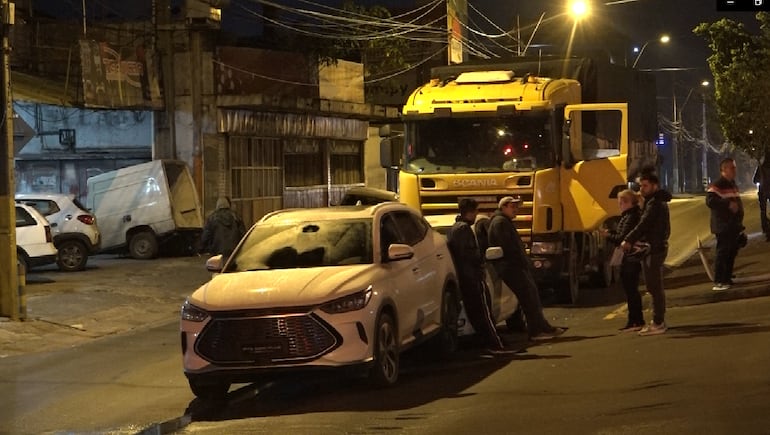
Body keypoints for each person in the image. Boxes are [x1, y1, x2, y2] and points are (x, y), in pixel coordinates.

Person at [487, 196, 565, 341]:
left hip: (515, 266)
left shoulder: (504, 221)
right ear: (504, 207)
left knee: (532, 296)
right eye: (513, 207)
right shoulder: (500, 223)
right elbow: (508, 248)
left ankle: (543, 327)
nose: (516, 210)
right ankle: (536, 331)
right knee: (528, 298)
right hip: (511, 268)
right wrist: (521, 262)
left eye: (517, 207)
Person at [446, 198, 507, 353]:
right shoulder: (463, 229)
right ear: (471, 212)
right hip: (472, 278)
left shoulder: (454, 229)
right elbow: (470, 254)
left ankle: (488, 344)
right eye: (475, 211)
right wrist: (480, 261)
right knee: (484, 314)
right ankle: (495, 345)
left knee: (478, 315)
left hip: (465, 278)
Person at [621, 171, 672, 336]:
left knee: (654, 287)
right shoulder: (653, 201)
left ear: (654, 186)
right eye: (640, 186)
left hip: (654, 249)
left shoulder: (655, 204)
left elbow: (644, 224)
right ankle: (658, 321)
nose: (641, 189)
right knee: (653, 286)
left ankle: (658, 322)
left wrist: (628, 240)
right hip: (654, 247)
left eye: (645, 186)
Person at [602, 189, 644, 331]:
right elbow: (622, 234)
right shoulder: (630, 215)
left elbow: (622, 238)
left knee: (631, 290)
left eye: (620, 203)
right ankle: (635, 320)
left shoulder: (631, 217)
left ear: (627, 203)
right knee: (631, 289)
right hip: (630, 256)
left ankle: (636, 321)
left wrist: (608, 236)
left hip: (631, 256)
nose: (619, 206)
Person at [707, 158, 744, 291]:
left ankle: (727, 278)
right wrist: (728, 204)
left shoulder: (732, 184)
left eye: (735, 168)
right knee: (723, 252)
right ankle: (719, 281)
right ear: (724, 170)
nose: (735, 170)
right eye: (732, 168)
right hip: (723, 226)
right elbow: (710, 201)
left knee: (731, 252)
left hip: (733, 226)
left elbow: (737, 205)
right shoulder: (718, 184)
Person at [752, 156, 770, 241]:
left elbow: (755, 180)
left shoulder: (760, 167)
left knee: (763, 211)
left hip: (763, 192)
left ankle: (765, 228)